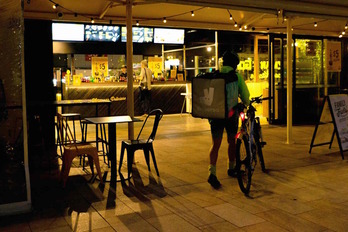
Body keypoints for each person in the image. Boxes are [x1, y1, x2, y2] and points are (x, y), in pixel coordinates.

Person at [207, 50, 250, 189]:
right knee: (232, 141)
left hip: (215, 115)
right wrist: (246, 102)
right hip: (231, 115)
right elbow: (245, 97)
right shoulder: (237, 77)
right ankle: (231, 168)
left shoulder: (215, 75)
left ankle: (212, 173)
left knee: (215, 144)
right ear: (235, 65)